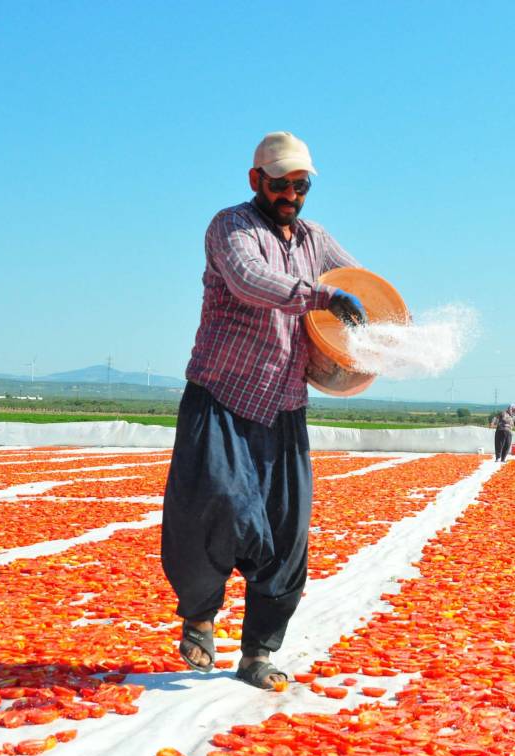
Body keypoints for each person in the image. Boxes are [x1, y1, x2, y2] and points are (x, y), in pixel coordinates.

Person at [161, 132, 370, 690]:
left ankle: (257, 653)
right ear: (256, 180)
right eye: (280, 184)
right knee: (219, 508)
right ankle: (201, 618)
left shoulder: (314, 238)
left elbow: (358, 286)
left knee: (285, 531)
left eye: (300, 186)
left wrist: (379, 324)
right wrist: (323, 298)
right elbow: (251, 281)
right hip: (222, 394)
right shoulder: (230, 226)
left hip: (283, 404)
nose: (291, 195)